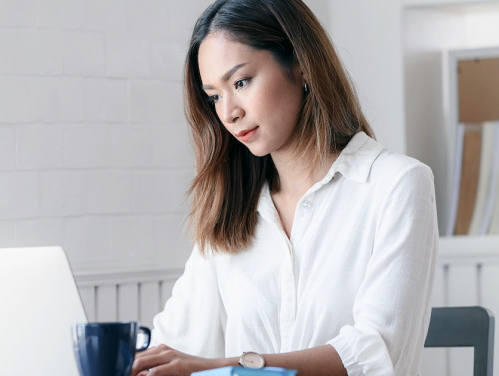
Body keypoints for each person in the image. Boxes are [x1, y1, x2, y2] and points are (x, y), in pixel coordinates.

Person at [131, 0, 439, 375]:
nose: (228, 112)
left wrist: (236, 366)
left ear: (303, 66)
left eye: (240, 82)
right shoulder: (231, 210)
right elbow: (177, 342)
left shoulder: (397, 185)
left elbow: (375, 352)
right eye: (214, 95)